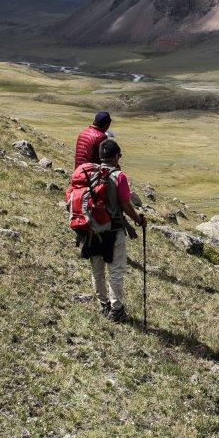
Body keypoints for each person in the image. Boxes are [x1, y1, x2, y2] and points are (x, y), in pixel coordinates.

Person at [81, 138, 146, 322]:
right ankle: (116, 310)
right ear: (116, 157)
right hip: (113, 229)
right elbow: (125, 204)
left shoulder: (90, 172)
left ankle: (103, 305)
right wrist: (138, 219)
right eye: (119, 155)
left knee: (97, 270)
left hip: (92, 229)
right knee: (115, 270)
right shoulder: (119, 176)